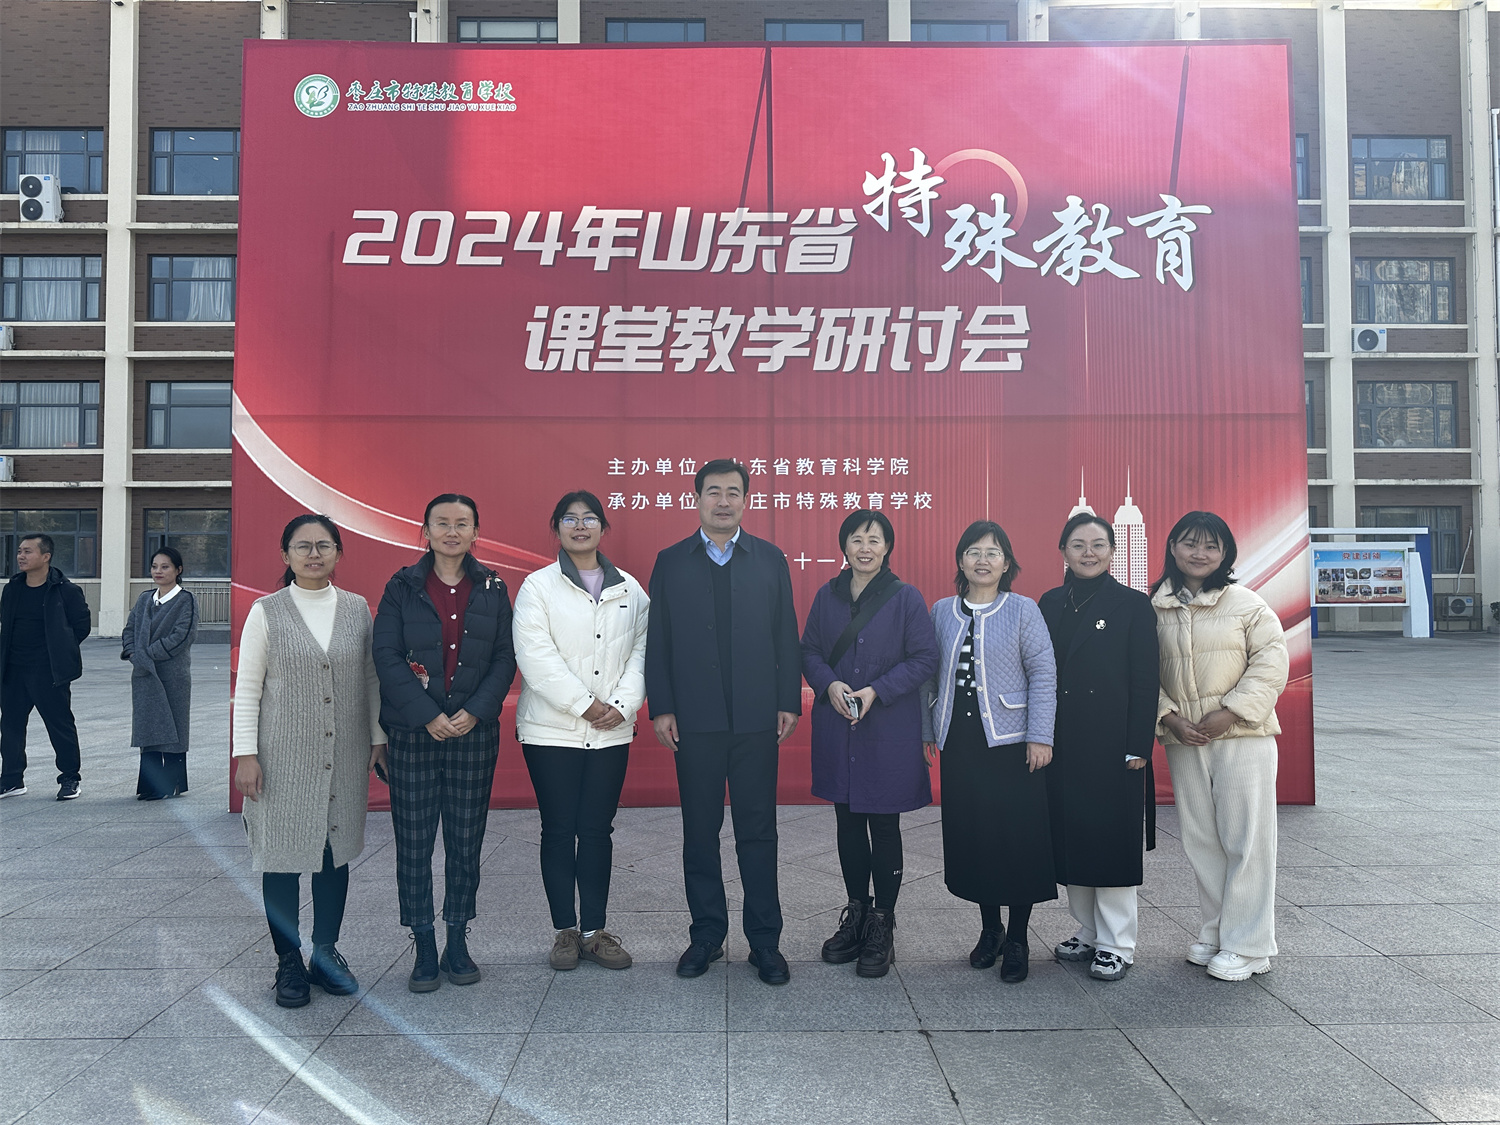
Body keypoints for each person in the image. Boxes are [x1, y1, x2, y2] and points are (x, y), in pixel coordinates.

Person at [646, 458, 802, 985]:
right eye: (713, 491)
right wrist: (662, 706)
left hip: (756, 719)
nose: (723, 501)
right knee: (700, 831)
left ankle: (765, 942)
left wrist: (788, 700)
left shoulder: (769, 559)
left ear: (746, 500)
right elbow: (659, 639)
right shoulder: (672, 562)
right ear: (696, 499)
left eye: (733, 492)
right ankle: (706, 936)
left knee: (758, 832)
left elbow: (785, 635)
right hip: (695, 720)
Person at [233, 514, 387, 1009]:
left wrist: (378, 737)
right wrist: (245, 754)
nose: (313, 554)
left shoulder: (357, 609)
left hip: (344, 754)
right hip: (281, 758)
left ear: (339, 553)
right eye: (303, 546)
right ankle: (288, 961)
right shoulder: (267, 611)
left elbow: (371, 679)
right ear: (286, 555)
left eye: (324, 545)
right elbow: (248, 687)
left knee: (332, 854)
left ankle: (325, 953)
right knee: (280, 858)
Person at [373, 494, 517, 993]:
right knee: (414, 844)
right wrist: (427, 714)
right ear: (426, 530)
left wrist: (475, 711)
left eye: (462, 523)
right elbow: (386, 655)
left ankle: (457, 939)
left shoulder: (493, 587)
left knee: (465, 842)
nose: (452, 532)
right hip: (413, 735)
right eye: (442, 523)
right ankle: (423, 943)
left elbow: (505, 656)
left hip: (473, 734)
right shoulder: (401, 586)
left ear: (476, 531)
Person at [513, 490, 649, 973]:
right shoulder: (537, 587)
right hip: (551, 733)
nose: (580, 526)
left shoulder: (631, 589)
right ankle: (565, 931)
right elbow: (535, 656)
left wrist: (622, 706)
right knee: (558, 829)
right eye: (569, 519)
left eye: (589, 518)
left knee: (596, 831)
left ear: (603, 528)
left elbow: (644, 652)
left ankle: (594, 931)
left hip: (611, 732)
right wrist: (584, 705)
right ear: (557, 528)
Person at [1151, 511, 1288, 982]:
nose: (1200, 553)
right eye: (1190, 543)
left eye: (1211, 546)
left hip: (1243, 737)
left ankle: (1250, 945)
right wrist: (1169, 717)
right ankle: (1216, 931)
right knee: (1202, 839)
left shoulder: (1247, 604)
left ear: (1226, 553)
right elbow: (1141, 671)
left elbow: (1271, 663)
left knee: (1247, 839)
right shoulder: (1154, 609)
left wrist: (1231, 711)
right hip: (1184, 738)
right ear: (1173, 547)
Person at [801, 510, 938, 978]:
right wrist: (829, 684)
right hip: (838, 724)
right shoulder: (827, 596)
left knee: (884, 824)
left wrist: (877, 690)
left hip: (887, 728)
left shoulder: (906, 598)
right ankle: (856, 913)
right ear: (844, 546)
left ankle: (882, 924)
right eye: (857, 539)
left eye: (874, 540)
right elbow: (809, 651)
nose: (865, 548)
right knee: (847, 822)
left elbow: (925, 658)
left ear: (887, 548)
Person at [922, 521, 1057, 984]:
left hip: (1012, 743)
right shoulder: (941, 611)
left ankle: (1018, 938)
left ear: (1007, 563)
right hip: (961, 743)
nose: (983, 560)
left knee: (1016, 840)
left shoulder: (1022, 609)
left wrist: (1041, 735)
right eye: (974, 552)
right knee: (976, 838)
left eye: (993, 552)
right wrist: (927, 731)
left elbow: (1043, 672)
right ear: (961, 561)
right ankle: (990, 930)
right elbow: (927, 675)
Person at [1038, 514, 1160, 981]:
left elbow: (1146, 679)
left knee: (1111, 843)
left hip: (1112, 743)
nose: (1088, 553)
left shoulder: (1132, 604)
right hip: (1061, 741)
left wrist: (1138, 744)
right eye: (1078, 544)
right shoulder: (1050, 602)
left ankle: (1117, 943)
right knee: (1073, 839)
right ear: (1063, 551)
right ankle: (1088, 931)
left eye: (1098, 544)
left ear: (1112, 551)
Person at [0, 533, 92, 801]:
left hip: (49, 671)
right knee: (11, 726)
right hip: (13, 669)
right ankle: (12, 780)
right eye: (20, 551)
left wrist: (60, 651)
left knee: (59, 725)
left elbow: (81, 626)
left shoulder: (66, 590)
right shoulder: (12, 588)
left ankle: (70, 778)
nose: (21, 556)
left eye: (27, 551)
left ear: (46, 556)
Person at [122, 547, 199, 800]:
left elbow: (182, 636)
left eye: (165, 567)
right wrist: (133, 653)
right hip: (145, 674)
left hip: (172, 675)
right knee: (148, 730)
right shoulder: (145, 598)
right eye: (155, 566)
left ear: (178, 570)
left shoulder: (186, 600)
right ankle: (149, 785)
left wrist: (147, 654)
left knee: (174, 730)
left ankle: (171, 785)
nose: (158, 571)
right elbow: (130, 630)